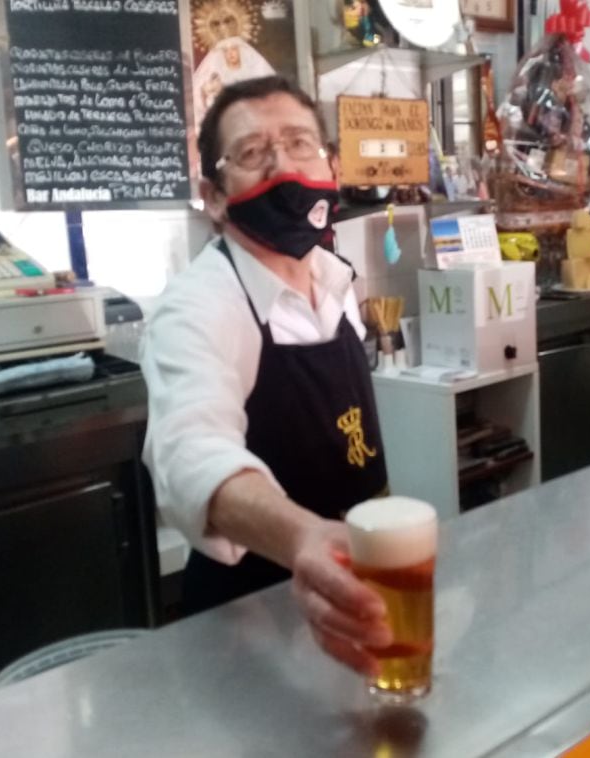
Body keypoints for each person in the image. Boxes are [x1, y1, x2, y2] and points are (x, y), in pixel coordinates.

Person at [141, 76, 392, 676]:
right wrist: (305, 538)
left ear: (330, 166)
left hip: (354, 592)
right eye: (253, 154)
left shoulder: (334, 277)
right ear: (216, 196)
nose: (284, 166)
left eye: (301, 143)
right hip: (249, 626)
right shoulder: (198, 307)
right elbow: (189, 452)